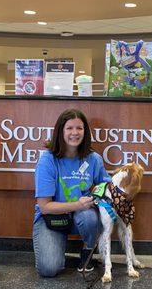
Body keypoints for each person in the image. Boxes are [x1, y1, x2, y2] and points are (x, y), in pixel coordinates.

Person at [33, 109, 111, 277]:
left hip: (82, 216)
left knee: (90, 217)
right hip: (50, 219)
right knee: (48, 269)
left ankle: (87, 251)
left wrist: (101, 195)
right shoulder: (47, 159)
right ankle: (57, 247)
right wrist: (77, 204)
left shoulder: (94, 159)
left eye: (79, 128)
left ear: (85, 131)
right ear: (60, 131)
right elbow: (45, 206)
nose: (75, 133)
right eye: (69, 128)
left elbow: (106, 187)